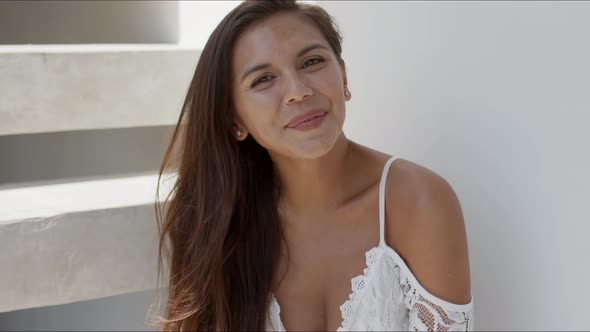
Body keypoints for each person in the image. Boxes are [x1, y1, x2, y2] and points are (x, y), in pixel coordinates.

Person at [153, 0, 473, 330]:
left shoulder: (417, 201)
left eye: (312, 61)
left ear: (344, 75)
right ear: (235, 118)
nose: (298, 91)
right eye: (263, 79)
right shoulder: (216, 221)